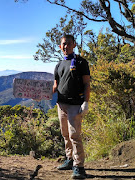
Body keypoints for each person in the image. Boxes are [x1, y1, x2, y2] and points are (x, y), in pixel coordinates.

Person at [53, 34, 90, 179]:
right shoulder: (59, 65)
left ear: (74, 44)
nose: (66, 46)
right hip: (61, 105)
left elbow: (87, 83)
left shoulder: (81, 62)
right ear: (60, 46)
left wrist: (86, 102)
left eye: (69, 43)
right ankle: (69, 160)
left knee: (75, 135)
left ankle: (79, 167)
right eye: (63, 44)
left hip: (75, 104)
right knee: (65, 134)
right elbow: (55, 85)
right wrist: (42, 94)